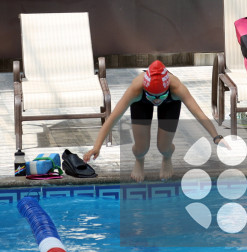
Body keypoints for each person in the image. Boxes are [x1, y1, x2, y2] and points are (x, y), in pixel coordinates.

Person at [84, 60, 225, 182]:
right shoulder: (136, 89)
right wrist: (97, 147)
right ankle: (139, 160)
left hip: (170, 104)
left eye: (160, 95)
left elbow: (199, 114)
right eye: (152, 96)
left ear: (167, 88)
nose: (157, 100)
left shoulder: (177, 88)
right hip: (141, 103)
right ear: (145, 88)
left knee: (164, 147)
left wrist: (217, 137)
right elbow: (113, 118)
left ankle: (167, 157)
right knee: (140, 149)